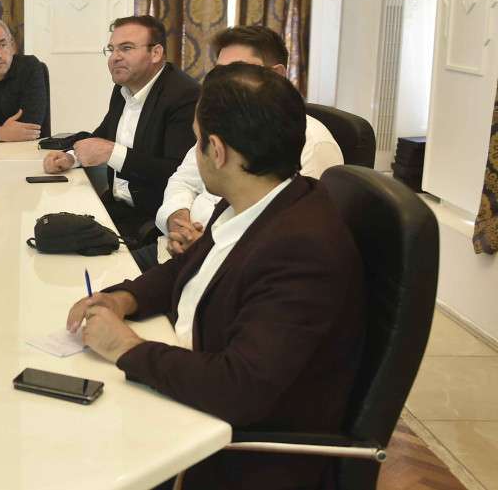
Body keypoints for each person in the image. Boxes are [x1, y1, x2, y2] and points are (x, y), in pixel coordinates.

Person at [66, 63, 364, 490]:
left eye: (197, 139)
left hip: (235, 454)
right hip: (190, 393)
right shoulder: (259, 200)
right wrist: (122, 298)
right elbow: (188, 267)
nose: (195, 150)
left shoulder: (303, 249)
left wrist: (125, 346)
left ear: (218, 151)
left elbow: (239, 388)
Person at [149, 25, 344, 265]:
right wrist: (180, 225)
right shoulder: (219, 124)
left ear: (276, 75)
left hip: (226, 264)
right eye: (219, 74)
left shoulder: (311, 143)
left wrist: (205, 250)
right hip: (181, 251)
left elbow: (281, 236)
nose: (220, 86)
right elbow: (183, 180)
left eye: (236, 72)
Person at [42, 15, 199, 245]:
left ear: (156, 53)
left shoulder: (183, 95)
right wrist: (70, 158)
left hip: (154, 222)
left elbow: (176, 171)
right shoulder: (123, 88)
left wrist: (111, 153)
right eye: (111, 49)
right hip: (115, 208)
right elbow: (103, 136)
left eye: (126, 48)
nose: (115, 57)